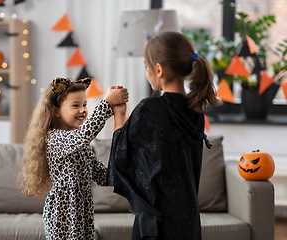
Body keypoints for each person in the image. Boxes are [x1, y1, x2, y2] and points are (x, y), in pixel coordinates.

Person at [107, 31, 222, 240]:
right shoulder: (195, 111)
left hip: (156, 222)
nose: (146, 72)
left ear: (158, 69)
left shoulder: (149, 109)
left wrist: (119, 114)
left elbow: (119, 153)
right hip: (188, 220)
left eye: (145, 66)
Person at [20, 77, 129, 240]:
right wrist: (106, 102)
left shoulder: (82, 147)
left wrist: (118, 112)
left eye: (84, 104)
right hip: (62, 215)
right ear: (56, 111)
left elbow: (103, 177)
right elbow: (84, 134)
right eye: (75, 105)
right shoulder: (55, 139)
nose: (83, 110)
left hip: (83, 214)